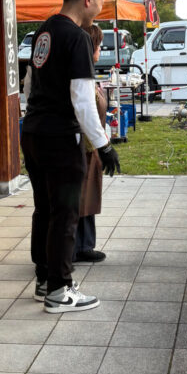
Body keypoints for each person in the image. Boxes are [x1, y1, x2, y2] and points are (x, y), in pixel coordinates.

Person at [21, 0, 120, 313]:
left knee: (44, 210)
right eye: (101, 2)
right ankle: (60, 290)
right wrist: (103, 145)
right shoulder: (76, 37)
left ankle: (44, 279)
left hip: (32, 132)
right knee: (65, 214)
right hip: (60, 137)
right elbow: (83, 99)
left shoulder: (43, 31)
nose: (101, 10)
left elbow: (29, 87)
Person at [74, 24, 108, 264]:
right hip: (83, 145)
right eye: (99, 46)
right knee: (80, 198)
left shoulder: (89, 72)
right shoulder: (80, 73)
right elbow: (85, 111)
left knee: (89, 197)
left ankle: (86, 244)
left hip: (92, 145)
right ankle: (78, 246)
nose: (100, 50)